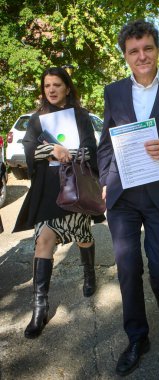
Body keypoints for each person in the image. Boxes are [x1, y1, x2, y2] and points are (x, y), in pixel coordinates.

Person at [97, 20, 159, 376]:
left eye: (148, 48)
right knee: (127, 268)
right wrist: (104, 180)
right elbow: (106, 142)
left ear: (157, 49)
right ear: (125, 55)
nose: (142, 56)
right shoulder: (113, 92)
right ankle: (138, 336)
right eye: (133, 51)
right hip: (123, 195)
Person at [13, 67, 99, 339]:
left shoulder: (81, 116)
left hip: (75, 184)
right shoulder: (37, 120)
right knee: (43, 240)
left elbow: (90, 150)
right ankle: (40, 308)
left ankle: (89, 274)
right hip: (48, 189)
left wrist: (68, 153)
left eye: (57, 85)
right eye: (47, 85)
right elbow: (29, 148)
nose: (51, 90)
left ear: (67, 88)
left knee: (83, 235)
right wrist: (52, 149)